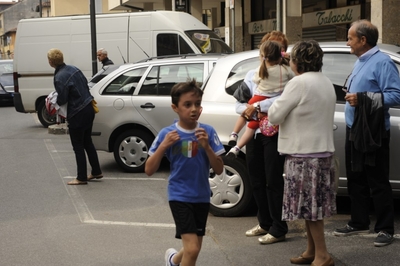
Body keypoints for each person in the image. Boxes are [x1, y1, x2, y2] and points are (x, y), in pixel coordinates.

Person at [268, 40, 336, 266]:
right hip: (321, 153)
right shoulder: (325, 81)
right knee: (312, 207)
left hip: (304, 155)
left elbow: (275, 115)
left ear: (297, 61)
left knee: (310, 209)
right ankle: (312, 251)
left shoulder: (298, 83)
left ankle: (322, 255)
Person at [333, 20, 400, 247]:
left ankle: (385, 228)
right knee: (356, 178)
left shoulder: (383, 62)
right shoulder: (361, 61)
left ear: (363, 40)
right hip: (355, 129)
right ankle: (358, 221)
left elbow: (395, 96)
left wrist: (361, 98)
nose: (347, 42)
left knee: (377, 180)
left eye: (350, 38)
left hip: (374, 131)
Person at [145, 79, 224, 266]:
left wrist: (207, 147)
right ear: (175, 108)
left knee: (194, 247)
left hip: (202, 196)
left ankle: (173, 260)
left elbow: (220, 169)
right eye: (187, 105)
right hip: (179, 195)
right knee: (193, 248)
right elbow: (149, 169)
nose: (194, 109)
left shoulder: (208, 132)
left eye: (197, 104)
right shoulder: (168, 133)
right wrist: (164, 145)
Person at [234, 30, 291, 244]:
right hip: (255, 132)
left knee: (274, 179)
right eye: (269, 48)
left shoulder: (286, 72)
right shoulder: (252, 74)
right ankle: (264, 222)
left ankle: (279, 227)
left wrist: (257, 106)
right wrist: (250, 108)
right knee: (256, 179)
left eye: (279, 48)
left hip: (276, 132)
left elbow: (284, 102)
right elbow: (239, 104)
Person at [227, 40, 293, 156]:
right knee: (251, 128)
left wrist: (257, 107)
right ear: (279, 56)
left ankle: (234, 134)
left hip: (260, 107)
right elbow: (239, 105)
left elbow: (288, 99)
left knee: (247, 120)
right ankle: (237, 148)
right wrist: (256, 111)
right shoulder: (286, 72)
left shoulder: (258, 72)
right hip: (260, 129)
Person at [47, 48, 103, 185]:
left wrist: (54, 101)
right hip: (89, 108)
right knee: (87, 142)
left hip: (77, 113)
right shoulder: (74, 69)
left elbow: (63, 99)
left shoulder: (59, 77)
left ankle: (81, 177)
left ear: (51, 62)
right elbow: (85, 84)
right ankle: (96, 171)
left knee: (78, 146)